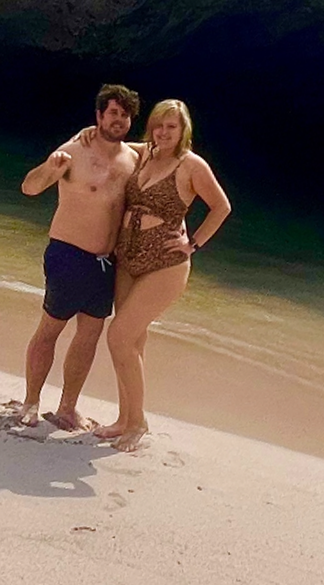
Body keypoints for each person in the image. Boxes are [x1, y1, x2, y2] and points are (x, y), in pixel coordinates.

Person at [94, 99, 231, 453]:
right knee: (133, 341)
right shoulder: (145, 155)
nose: (164, 132)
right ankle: (125, 418)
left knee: (119, 337)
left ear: (184, 130)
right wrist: (85, 135)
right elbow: (112, 143)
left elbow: (221, 207)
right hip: (129, 256)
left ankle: (138, 422)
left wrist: (194, 244)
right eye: (158, 125)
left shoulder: (191, 165)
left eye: (171, 126)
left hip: (166, 262)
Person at [15, 84, 142, 432]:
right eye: (112, 112)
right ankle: (30, 402)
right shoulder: (73, 151)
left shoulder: (134, 159)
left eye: (125, 114)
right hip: (68, 254)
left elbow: (169, 150)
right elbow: (29, 187)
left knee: (89, 335)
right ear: (99, 116)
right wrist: (50, 169)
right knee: (50, 329)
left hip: (106, 264)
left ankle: (67, 408)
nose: (119, 119)